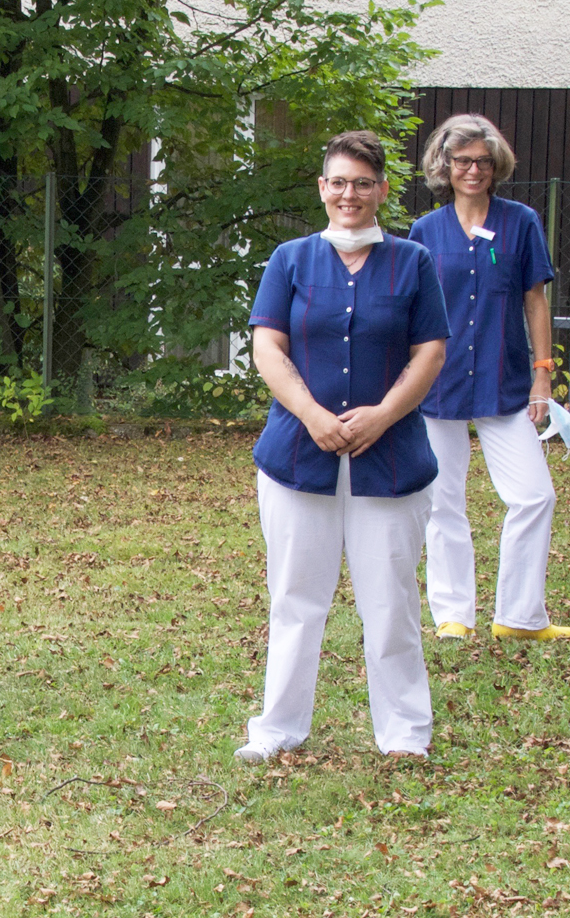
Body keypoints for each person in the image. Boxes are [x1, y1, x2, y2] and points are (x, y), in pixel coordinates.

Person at [238, 130, 451, 763]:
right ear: (322, 188)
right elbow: (267, 347)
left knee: (390, 604)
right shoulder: (291, 259)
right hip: (298, 456)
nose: (348, 194)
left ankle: (405, 733)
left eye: (362, 183)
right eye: (337, 182)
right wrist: (310, 414)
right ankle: (278, 728)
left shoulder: (412, 263)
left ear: (383, 190)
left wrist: (384, 415)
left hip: (392, 459)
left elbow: (430, 351)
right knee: (295, 598)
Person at [410, 114, 570, 642]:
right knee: (443, 501)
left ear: (495, 163)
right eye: (462, 161)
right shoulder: (425, 231)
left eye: (482, 160)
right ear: (446, 166)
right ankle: (453, 614)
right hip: (438, 381)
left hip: (504, 382)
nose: (473, 169)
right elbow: (411, 311)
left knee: (534, 496)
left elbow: (535, 300)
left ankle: (520, 617)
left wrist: (542, 377)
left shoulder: (521, 221)